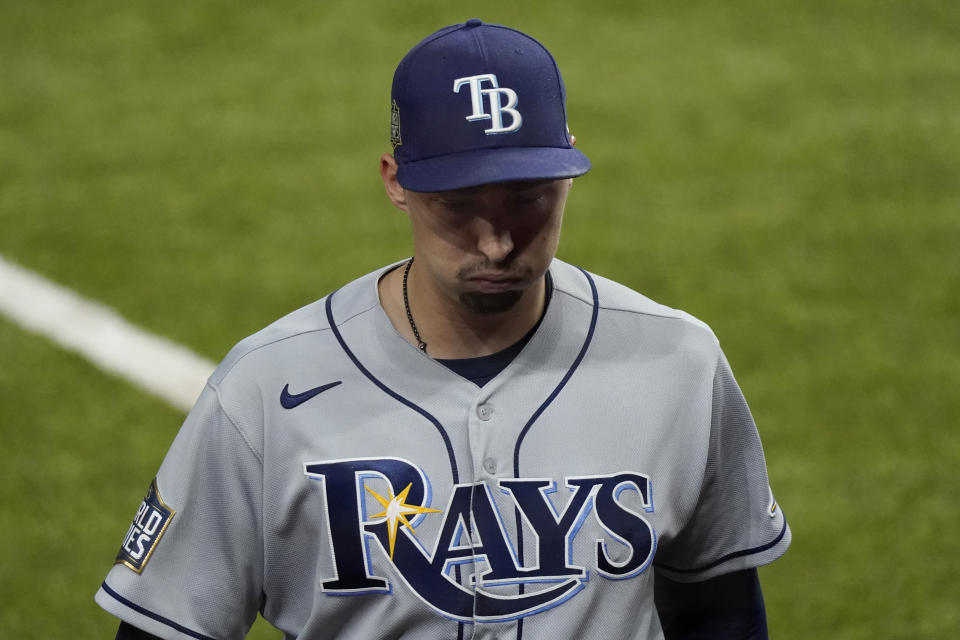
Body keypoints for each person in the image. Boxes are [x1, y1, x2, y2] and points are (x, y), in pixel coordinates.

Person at [97, 19, 790, 640]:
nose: (496, 243)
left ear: (570, 167)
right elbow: (169, 624)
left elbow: (720, 612)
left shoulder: (677, 361)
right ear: (395, 181)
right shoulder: (264, 388)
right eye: (459, 208)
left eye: (529, 199)